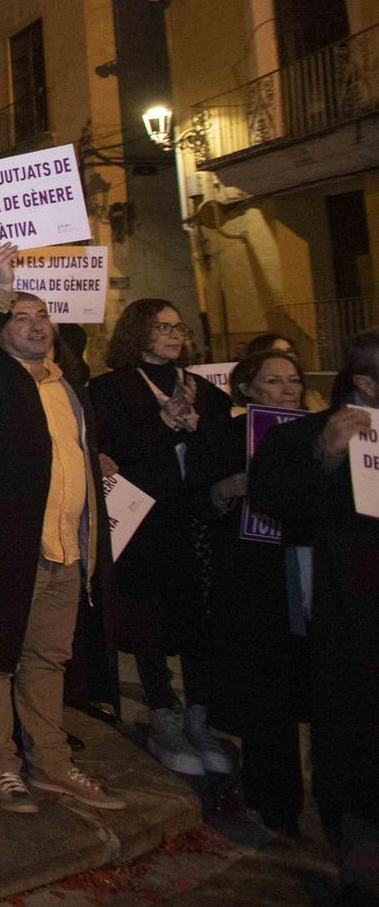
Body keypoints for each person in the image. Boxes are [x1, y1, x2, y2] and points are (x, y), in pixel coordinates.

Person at [0, 244, 124, 814]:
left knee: (47, 659)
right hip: (10, 549)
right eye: (20, 318)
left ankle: (52, 764)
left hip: (67, 549)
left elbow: (65, 452)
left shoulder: (67, 387)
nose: (34, 326)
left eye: (41, 318)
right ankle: (0, 763)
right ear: (1, 332)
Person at [250, 333, 379, 907]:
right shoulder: (302, 436)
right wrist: (326, 454)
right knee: (356, 751)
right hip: (355, 630)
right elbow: (274, 496)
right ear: (365, 385)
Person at [90, 298, 232, 777]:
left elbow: (220, 452)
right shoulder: (109, 389)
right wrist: (163, 424)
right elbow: (109, 451)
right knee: (151, 618)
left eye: (179, 326)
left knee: (200, 620)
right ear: (139, 333)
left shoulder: (204, 391)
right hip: (145, 521)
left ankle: (201, 714)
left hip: (194, 519)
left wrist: (196, 430)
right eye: (162, 327)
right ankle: (162, 710)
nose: (174, 335)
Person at [205, 349, 311, 836]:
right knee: (270, 695)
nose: (287, 390)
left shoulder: (323, 433)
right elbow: (198, 501)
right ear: (246, 388)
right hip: (259, 579)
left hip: (313, 572)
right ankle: (275, 802)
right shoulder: (229, 436)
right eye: (274, 381)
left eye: (293, 380)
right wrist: (226, 489)